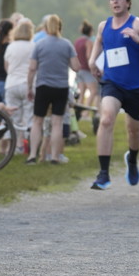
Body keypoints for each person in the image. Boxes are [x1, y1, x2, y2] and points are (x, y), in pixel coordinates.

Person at [88, 0, 139, 189]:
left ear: (127, 2)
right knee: (106, 119)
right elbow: (99, 42)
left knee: (134, 130)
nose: (115, 1)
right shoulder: (104, 26)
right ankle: (103, 174)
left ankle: (132, 159)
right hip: (112, 82)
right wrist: (93, 60)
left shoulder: (138, 24)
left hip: (137, 86)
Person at [26, 14, 80, 164]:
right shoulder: (67, 44)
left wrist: (29, 87)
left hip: (43, 86)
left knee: (37, 121)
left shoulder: (39, 44)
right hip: (61, 88)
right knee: (57, 122)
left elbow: (32, 68)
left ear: (45, 27)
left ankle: (32, 156)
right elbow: (76, 67)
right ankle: (55, 157)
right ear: (60, 27)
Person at [3, 19, 35, 153]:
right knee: (29, 117)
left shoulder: (11, 46)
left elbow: (6, 66)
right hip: (27, 84)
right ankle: (28, 145)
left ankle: (14, 146)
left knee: (13, 117)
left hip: (11, 84)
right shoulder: (33, 46)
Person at [74, 20, 99, 111]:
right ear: (90, 31)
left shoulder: (77, 41)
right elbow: (89, 56)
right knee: (94, 91)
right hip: (87, 69)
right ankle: (85, 112)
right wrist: (94, 67)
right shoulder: (88, 42)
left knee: (81, 92)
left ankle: (79, 112)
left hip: (79, 70)